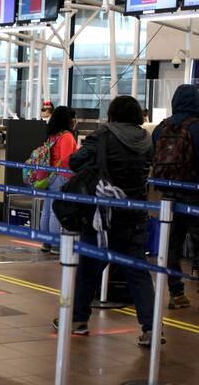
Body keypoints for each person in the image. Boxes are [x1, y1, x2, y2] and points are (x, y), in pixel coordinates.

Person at [60, 96, 158, 347]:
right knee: (138, 275)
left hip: (102, 215)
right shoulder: (147, 140)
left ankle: (78, 320)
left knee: (88, 270)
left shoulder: (103, 135)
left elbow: (75, 161)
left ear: (112, 114)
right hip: (135, 214)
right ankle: (151, 328)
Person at [152, 85, 199, 309]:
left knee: (171, 244)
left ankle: (176, 293)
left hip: (167, 195)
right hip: (194, 194)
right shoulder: (197, 127)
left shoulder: (161, 128)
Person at [39, 106, 78, 253]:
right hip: (61, 176)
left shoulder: (52, 135)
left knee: (47, 211)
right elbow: (67, 159)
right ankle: (56, 245)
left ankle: (46, 243)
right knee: (56, 211)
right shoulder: (67, 136)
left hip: (49, 175)